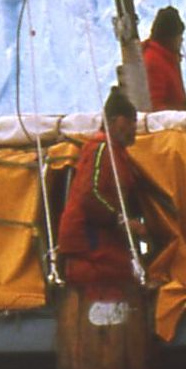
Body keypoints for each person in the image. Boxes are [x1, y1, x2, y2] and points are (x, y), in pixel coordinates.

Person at [56, 87, 149, 297]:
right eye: (130, 121)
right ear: (116, 121)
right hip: (88, 242)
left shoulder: (116, 153)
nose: (134, 127)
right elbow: (91, 195)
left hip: (100, 238)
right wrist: (124, 222)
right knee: (119, 276)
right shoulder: (101, 150)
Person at [142, 6, 186, 112]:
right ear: (169, 37)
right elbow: (155, 108)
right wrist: (182, 109)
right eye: (179, 36)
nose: (181, 40)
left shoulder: (168, 58)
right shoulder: (153, 62)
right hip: (167, 127)